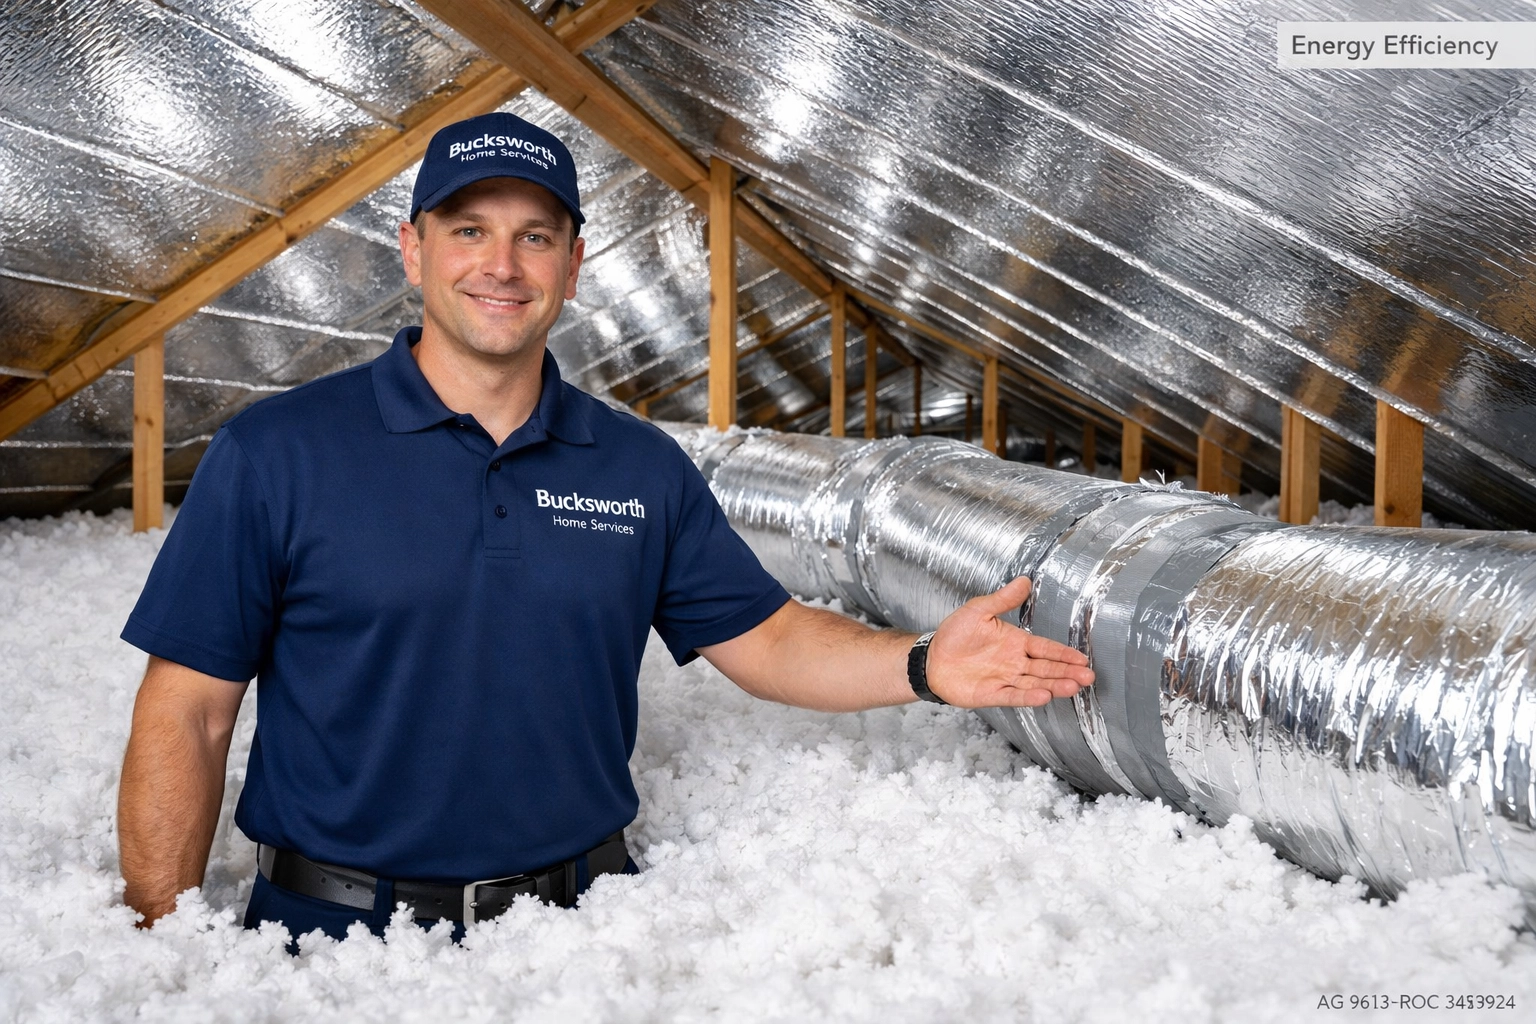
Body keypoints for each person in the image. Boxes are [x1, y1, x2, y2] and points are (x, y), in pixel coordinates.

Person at [116, 112, 1095, 947]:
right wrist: (161, 948)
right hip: (335, 946)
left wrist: (923, 663)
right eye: (468, 230)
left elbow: (771, 637)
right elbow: (190, 710)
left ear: (575, 265)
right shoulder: (277, 452)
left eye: (536, 236)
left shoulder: (636, 467)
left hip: (579, 942)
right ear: (413, 250)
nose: (501, 265)